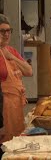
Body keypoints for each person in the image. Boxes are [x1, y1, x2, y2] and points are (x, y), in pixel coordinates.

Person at [0, 14, 32, 144]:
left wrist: (12, 57)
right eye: (2, 31)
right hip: (3, 108)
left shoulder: (11, 51)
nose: (6, 34)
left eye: (8, 31)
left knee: (16, 140)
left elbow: (29, 71)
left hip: (17, 105)